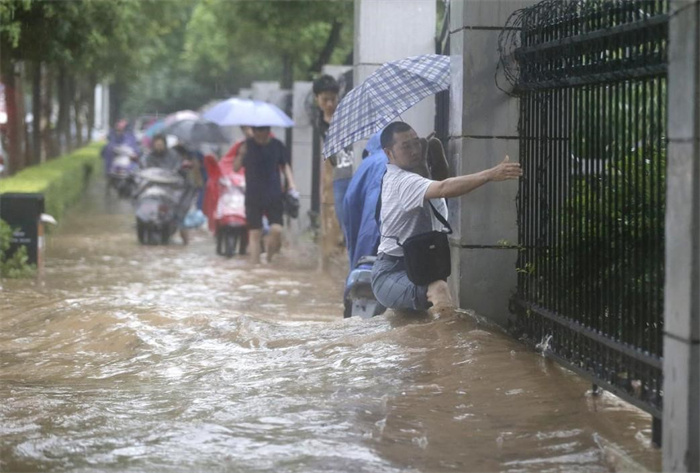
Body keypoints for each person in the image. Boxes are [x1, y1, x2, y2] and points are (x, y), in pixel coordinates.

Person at [371, 122, 523, 315]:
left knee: (413, 332)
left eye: (416, 143)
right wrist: (490, 174)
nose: (414, 150)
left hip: (419, 264)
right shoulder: (402, 181)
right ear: (389, 153)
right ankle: (451, 342)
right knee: (439, 290)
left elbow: (437, 180)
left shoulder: (413, 176)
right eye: (405, 146)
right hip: (392, 271)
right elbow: (443, 188)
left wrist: (430, 150)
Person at [233, 126, 297, 264]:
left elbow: (285, 166)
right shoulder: (246, 146)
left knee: (277, 229)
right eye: (255, 132)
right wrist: (241, 154)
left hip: (274, 194)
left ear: (267, 131)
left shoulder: (277, 145)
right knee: (255, 232)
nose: (258, 136)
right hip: (253, 195)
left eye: (261, 132)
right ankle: (255, 266)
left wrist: (291, 184)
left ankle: (269, 257)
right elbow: (235, 167)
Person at [314, 75, 354, 233]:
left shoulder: (346, 115)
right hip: (339, 176)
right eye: (325, 100)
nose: (330, 104)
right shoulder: (319, 123)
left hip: (355, 171)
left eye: (333, 99)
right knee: (344, 222)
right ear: (317, 99)